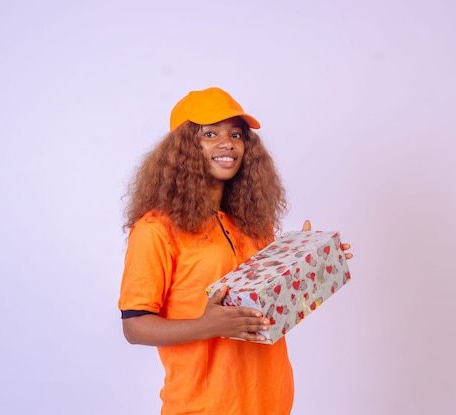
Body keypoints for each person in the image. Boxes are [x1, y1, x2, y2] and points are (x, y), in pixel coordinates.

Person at [118, 87, 351, 415]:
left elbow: (267, 311)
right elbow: (134, 326)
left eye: (236, 134)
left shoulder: (253, 224)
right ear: (183, 147)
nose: (227, 143)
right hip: (204, 405)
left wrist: (306, 262)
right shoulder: (156, 230)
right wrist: (208, 325)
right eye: (210, 133)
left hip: (271, 398)